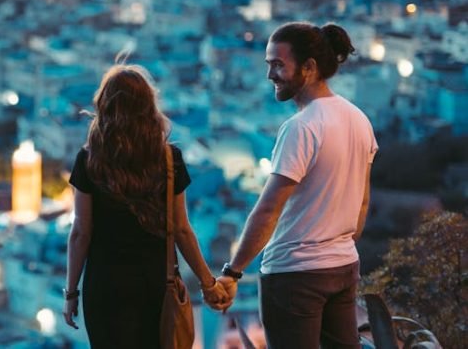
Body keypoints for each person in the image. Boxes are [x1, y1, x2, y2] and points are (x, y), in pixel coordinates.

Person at [216, 22, 378, 348]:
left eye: (278, 64)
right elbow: (361, 204)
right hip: (343, 265)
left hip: (294, 275)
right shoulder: (359, 119)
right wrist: (335, 244)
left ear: (309, 68)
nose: (270, 75)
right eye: (268, 65)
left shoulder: (301, 128)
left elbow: (268, 209)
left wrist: (232, 272)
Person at [62, 63, 229, 348]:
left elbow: (81, 233)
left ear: (105, 106)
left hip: (105, 283)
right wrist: (207, 282)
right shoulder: (168, 159)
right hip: (154, 283)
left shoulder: (89, 160)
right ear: (148, 107)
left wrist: (71, 292)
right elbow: (181, 229)